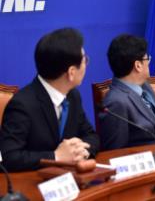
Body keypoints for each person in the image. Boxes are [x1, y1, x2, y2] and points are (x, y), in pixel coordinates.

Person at [0, 28, 99, 172]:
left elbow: (91, 135)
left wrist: (82, 151)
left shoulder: (73, 96)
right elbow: (10, 157)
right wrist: (56, 156)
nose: (86, 65)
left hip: (69, 180)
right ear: (71, 73)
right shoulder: (23, 104)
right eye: (85, 60)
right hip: (33, 185)